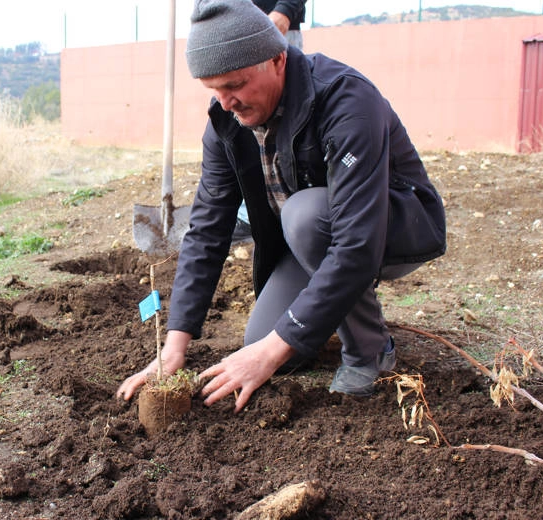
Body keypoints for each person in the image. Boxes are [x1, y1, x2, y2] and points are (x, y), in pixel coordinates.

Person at [117, 0, 446, 412]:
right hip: (316, 236)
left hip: (394, 227)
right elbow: (207, 230)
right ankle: (329, 311)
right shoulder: (225, 122)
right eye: (213, 89)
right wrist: (173, 347)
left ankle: (369, 351)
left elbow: (357, 242)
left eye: (235, 85)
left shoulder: (346, 101)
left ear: (277, 59)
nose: (226, 102)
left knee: (304, 217)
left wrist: (275, 349)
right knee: (262, 341)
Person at [233, 0, 307, 243]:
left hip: (275, 23)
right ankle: (249, 216)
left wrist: (286, 9)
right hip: (231, 31)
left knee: (286, 129)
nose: (223, 102)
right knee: (242, 127)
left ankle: (298, 222)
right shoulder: (222, 106)